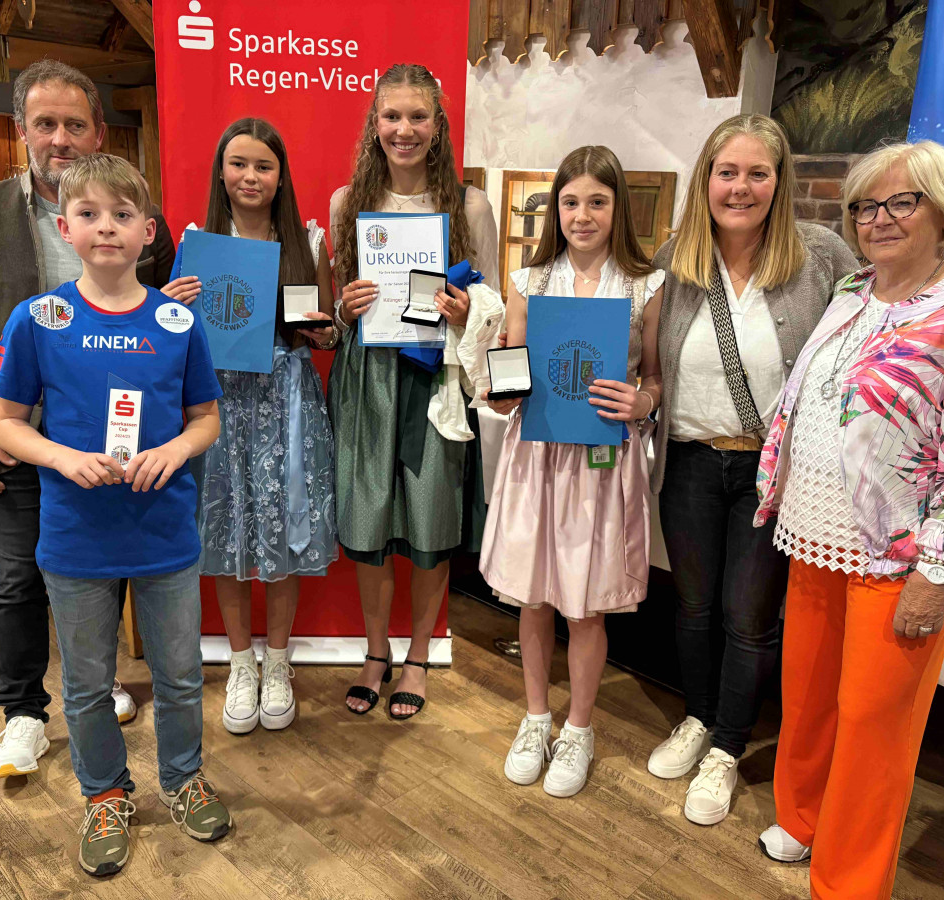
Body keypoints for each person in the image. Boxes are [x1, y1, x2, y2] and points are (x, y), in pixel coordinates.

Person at [754, 141, 944, 898]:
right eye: (865, 206)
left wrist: (937, 573)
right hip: (814, 533)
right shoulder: (851, 291)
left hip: (901, 557)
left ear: (943, 212)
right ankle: (802, 817)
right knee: (808, 698)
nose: (879, 219)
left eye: (901, 202)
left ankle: (849, 881)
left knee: (876, 726)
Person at [0, 59, 173, 780]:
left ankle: (99, 682)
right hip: (19, 437)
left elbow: (152, 313)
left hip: (111, 437)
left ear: (97, 133)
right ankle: (24, 713)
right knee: (18, 579)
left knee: (103, 569)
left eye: (74, 124)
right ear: (21, 130)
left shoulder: (136, 220)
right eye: (45, 124)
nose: (60, 139)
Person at [0, 154, 231, 876]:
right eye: (89, 214)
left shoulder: (177, 322)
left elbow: (206, 418)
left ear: (148, 231)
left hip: (164, 534)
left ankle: (182, 779)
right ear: (64, 227)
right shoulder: (39, 320)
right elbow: (6, 425)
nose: (106, 228)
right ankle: (104, 794)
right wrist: (62, 458)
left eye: (123, 215)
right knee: (88, 684)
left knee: (180, 674)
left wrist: (177, 449)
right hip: (76, 537)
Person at [645, 114, 859, 826]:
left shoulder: (820, 255)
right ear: (705, 180)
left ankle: (727, 746)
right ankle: (698, 716)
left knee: (749, 616)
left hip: (773, 471)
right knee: (693, 606)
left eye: (756, 173)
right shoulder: (677, 260)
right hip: (689, 460)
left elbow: (861, 344)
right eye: (727, 172)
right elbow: (649, 359)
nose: (740, 187)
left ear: (779, 181)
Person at [481, 145, 663, 798]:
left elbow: (655, 377)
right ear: (554, 209)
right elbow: (512, 364)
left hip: (602, 460)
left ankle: (579, 728)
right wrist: (502, 391)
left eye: (597, 202)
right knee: (533, 595)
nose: (582, 215)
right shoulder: (530, 282)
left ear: (619, 209)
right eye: (570, 202)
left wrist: (642, 402)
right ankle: (536, 717)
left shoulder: (644, 286)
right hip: (538, 454)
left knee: (586, 606)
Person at [329, 63, 498, 719]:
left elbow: (495, 308)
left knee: (431, 521)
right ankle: (376, 653)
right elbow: (335, 310)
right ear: (375, 123)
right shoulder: (347, 203)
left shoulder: (470, 205)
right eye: (392, 116)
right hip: (368, 379)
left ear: (438, 124)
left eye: (418, 116)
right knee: (369, 520)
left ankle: (419, 655)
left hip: (435, 378)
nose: (404, 129)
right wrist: (345, 307)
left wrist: (468, 311)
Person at [164, 118, 337, 735]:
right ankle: (242, 663)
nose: (250, 176)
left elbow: (327, 331)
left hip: (286, 400)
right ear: (221, 171)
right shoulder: (198, 243)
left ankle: (279, 663)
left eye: (263, 166)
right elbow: (171, 336)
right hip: (219, 404)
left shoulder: (308, 241)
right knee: (227, 530)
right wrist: (170, 308)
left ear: (281, 176)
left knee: (284, 534)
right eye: (238, 164)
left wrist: (323, 331)